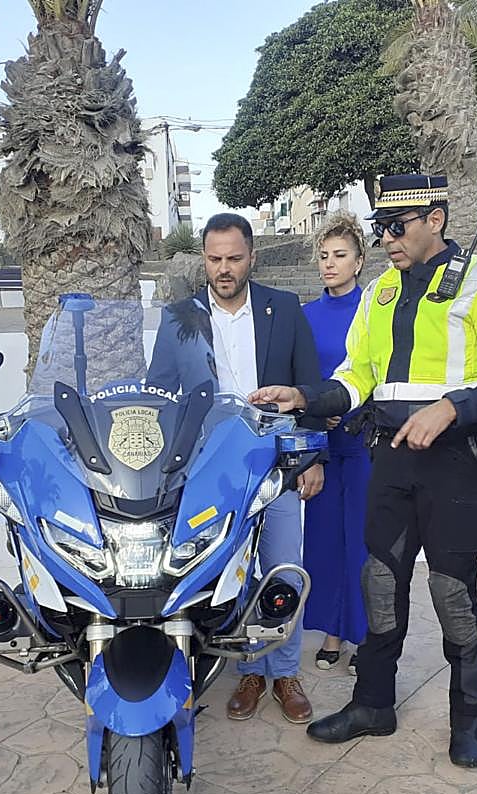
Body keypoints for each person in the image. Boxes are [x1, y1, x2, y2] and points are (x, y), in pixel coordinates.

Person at [252, 174, 477, 766]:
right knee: (380, 585)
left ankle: (470, 718)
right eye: (379, 227)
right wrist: (305, 396)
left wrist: (453, 407)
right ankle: (373, 705)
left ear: (435, 219)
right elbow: (357, 377)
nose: (386, 237)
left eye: (397, 226)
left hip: (456, 466)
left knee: (452, 594)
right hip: (389, 461)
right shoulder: (381, 291)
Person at [148, 212, 324, 725]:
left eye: (233, 258)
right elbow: (159, 396)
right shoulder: (179, 317)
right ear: (204, 257)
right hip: (207, 472)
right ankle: (249, 670)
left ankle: (285, 672)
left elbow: (308, 386)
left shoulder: (285, 309)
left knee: (283, 568)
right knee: (230, 573)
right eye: (214, 258)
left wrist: (314, 459)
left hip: (276, 462)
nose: (223, 269)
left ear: (252, 256)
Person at [301, 211, 371, 676]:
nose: (330, 264)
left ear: (359, 260)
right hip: (321, 447)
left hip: (367, 442)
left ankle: (366, 636)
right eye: (324, 256)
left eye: (340, 255)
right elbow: (301, 380)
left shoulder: (377, 310)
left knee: (365, 543)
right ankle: (330, 632)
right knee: (324, 542)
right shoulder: (303, 315)